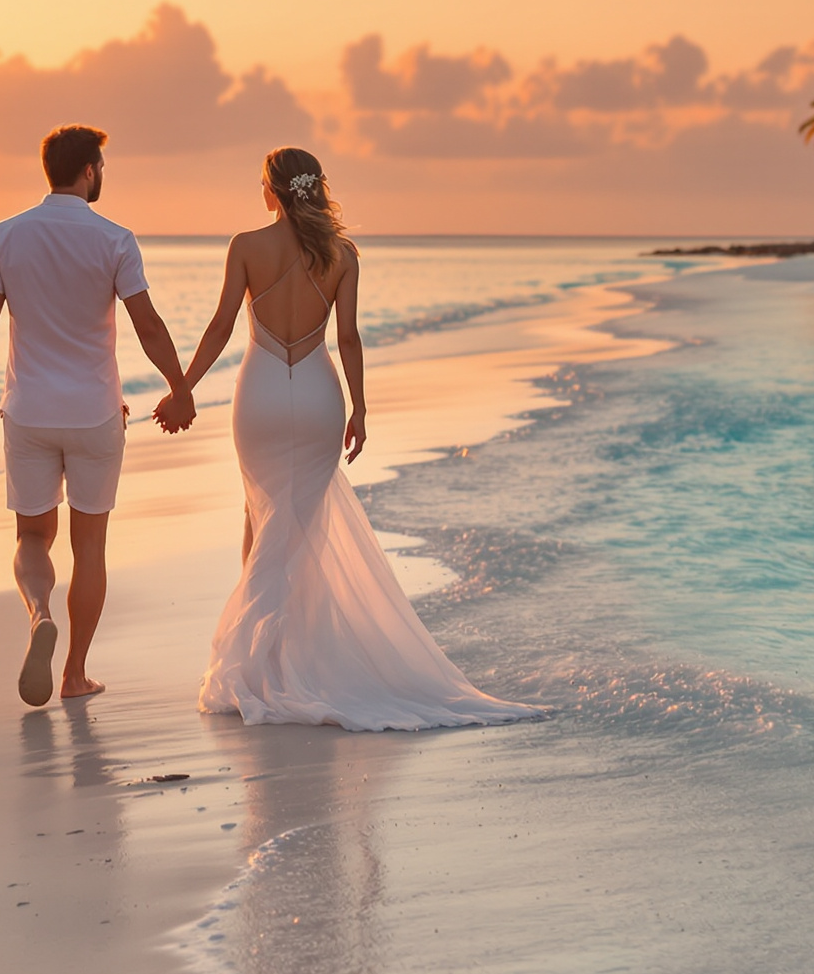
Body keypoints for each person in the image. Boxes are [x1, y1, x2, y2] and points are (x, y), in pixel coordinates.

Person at [162, 147, 546, 731]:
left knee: (260, 515)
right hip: (320, 394)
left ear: (273, 190)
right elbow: (348, 339)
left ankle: (259, 660)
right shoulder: (342, 254)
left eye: (262, 184)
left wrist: (183, 389)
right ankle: (293, 655)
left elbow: (219, 326)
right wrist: (360, 409)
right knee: (301, 523)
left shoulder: (245, 245)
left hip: (261, 392)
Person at [0, 125, 195, 707]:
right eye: (102, 167)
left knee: (33, 535)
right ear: (90, 170)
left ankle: (40, 614)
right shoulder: (115, 239)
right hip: (95, 414)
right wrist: (179, 387)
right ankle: (74, 674)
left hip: (29, 413)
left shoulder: (5, 235)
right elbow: (148, 325)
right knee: (89, 546)